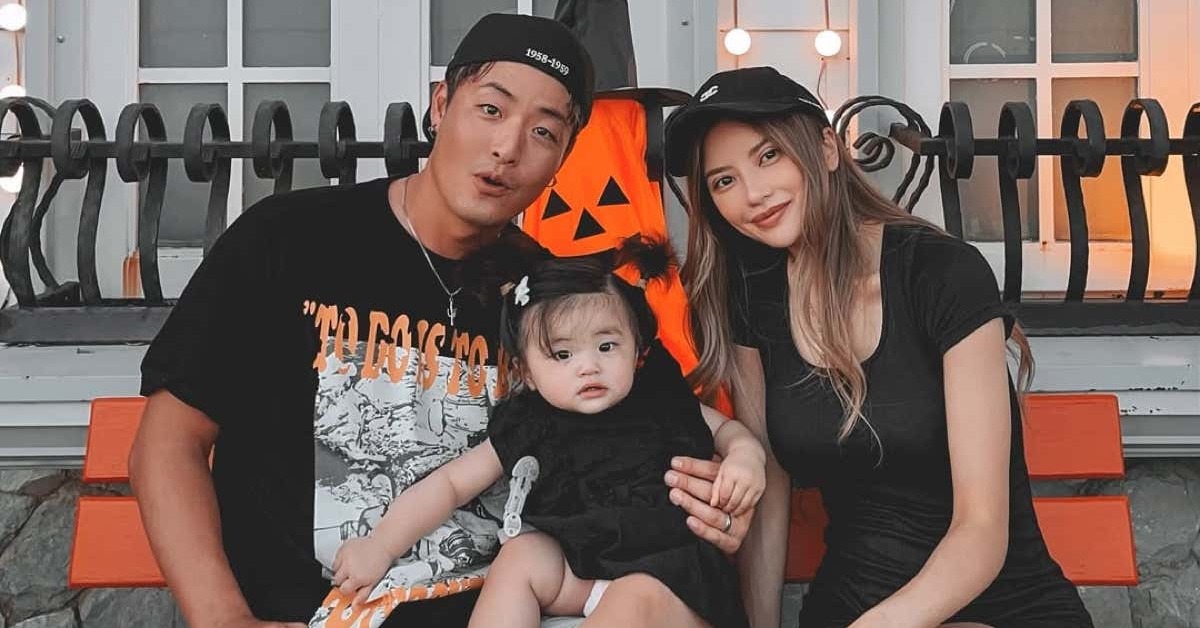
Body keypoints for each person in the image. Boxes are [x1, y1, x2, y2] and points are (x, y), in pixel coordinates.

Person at [128, 13, 746, 628]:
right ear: (441, 104)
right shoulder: (288, 240)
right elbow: (170, 441)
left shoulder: (557, 306)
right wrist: (222, 618)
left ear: (562, 158)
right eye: (490, 109)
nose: (508, 148)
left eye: (543, 132)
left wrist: (723, 494)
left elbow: (672, 430)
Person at [663, 66, 1094, 628]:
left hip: (999, 605)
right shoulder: (753, 297)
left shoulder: (940, 273)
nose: (753, 194)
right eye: (724, 181)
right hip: (851, 603)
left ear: (827, 148)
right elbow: (771, 491)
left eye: (769, 156)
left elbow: (982, 529)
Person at [323, 237, 761, 628]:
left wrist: (744, 456)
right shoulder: (530, 422)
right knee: (522, 556)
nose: (588, 366)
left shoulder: (658, 398)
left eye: (606, 346)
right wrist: (380, 546)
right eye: (562, 354)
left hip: (672, 582)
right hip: (580, 573)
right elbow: (450, 484)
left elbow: (727, 430)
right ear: (527, 373)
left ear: (637, 351)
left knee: (634, 596)